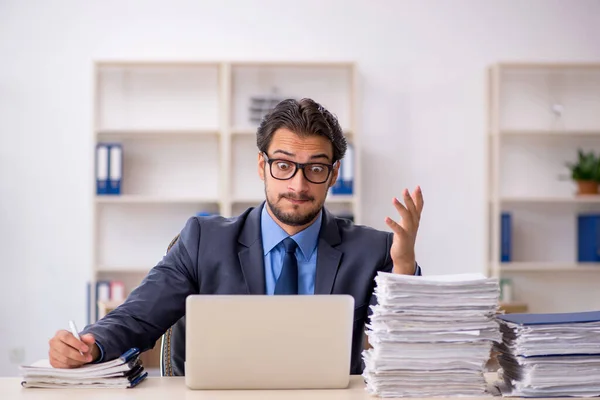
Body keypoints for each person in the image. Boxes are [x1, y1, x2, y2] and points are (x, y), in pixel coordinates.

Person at [48, 98, 424, 375]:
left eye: (315, 168)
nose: (298, 184)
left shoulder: (373, 250)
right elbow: (138, 318)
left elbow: (409, 353)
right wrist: (90, 345)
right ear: (262, 165)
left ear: (334, 173)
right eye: (283, 165)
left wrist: (404, 267)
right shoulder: (203, 240)